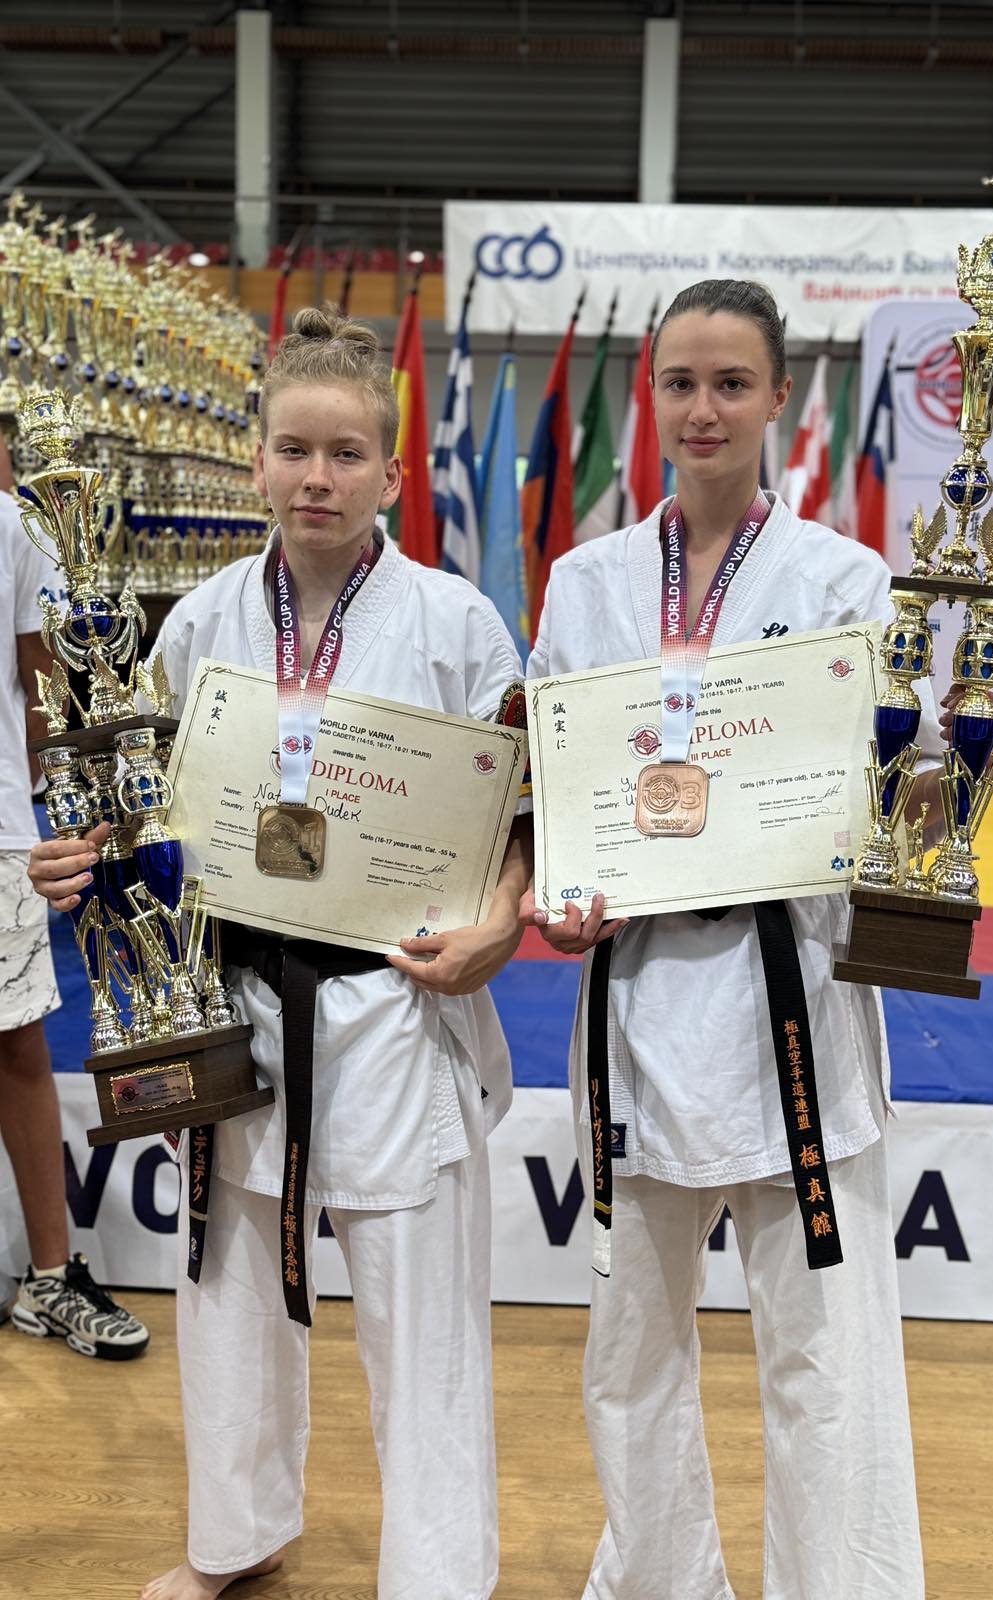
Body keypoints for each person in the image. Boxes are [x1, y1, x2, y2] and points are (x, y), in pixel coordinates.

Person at [520, 279, 993, 1600]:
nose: (703, 408)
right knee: (629, 1347)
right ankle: (658, 1583)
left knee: (822, 1349)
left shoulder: (846, 580)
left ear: (777, 399)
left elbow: (888, 806)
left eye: (730, 383)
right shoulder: (584, 583)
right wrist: (559, 898)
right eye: (680, 382)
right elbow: (561, 795)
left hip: (788, 990)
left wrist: (964, 769)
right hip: (636, 999)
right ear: (649, 396)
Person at [29, 307, 532, 1600]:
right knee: (230, 1284)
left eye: (346, 454)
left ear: (392, 474)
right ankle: (234, 1540)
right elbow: (138, 805)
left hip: (393, 998)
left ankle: (439, 1578)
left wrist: (501, 923)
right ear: (254, 461)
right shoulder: (197, 624)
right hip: (230, 996)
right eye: (295, 450)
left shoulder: (458, 623)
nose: (318, 478)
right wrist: (83, 857)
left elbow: (520, 817)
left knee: (421, 1313)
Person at [0, 468, 149, 1359]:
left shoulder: (11, 524)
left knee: (15, 1046)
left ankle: (50, 1277)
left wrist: (57, 800)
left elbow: (43, 687)